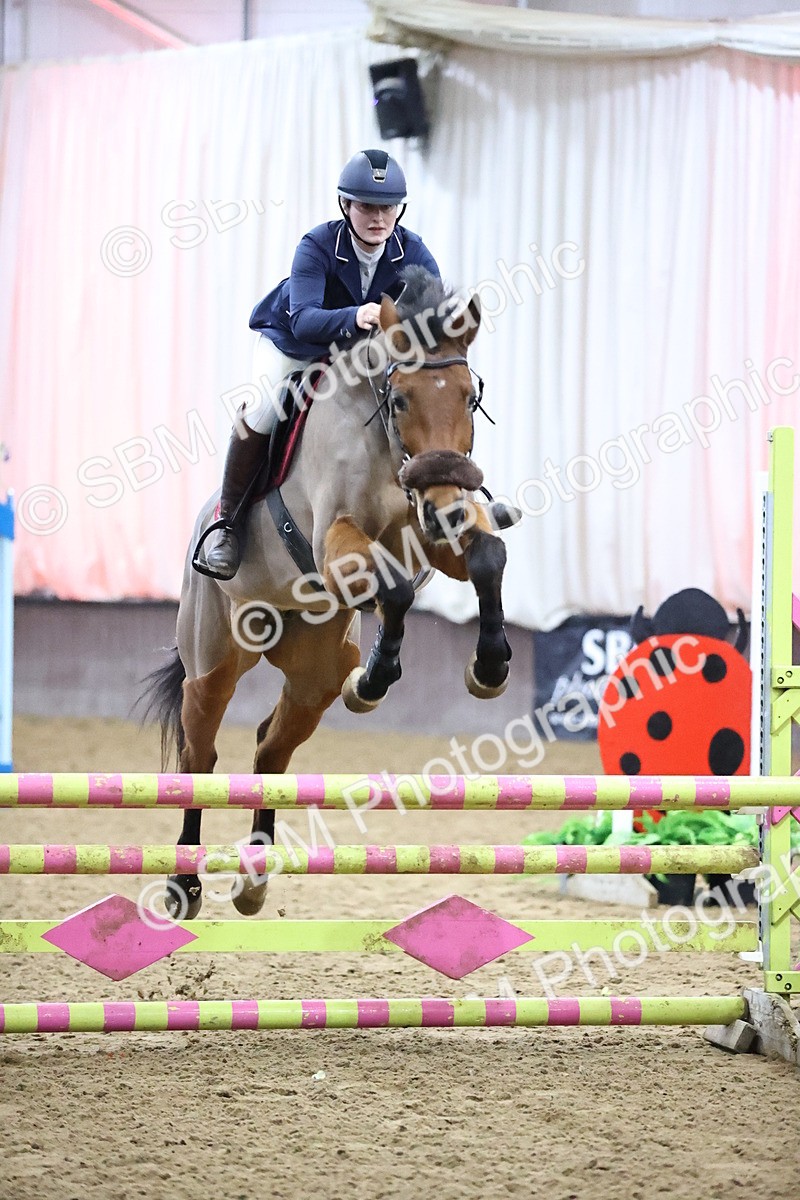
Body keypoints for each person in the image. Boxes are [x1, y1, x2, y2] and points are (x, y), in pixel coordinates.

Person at [202, 147, 518, 580]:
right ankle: (228, 524)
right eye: (367, 205)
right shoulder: (316, 245)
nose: (378, 217)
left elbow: (433, 322)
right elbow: (305, 317)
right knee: (263, 408)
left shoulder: (414, 252)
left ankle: (456, 503)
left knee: (426, 398)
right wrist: (357, 315)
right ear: (346, 205)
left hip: (364, 358)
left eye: (388, 208)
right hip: (298, 346)